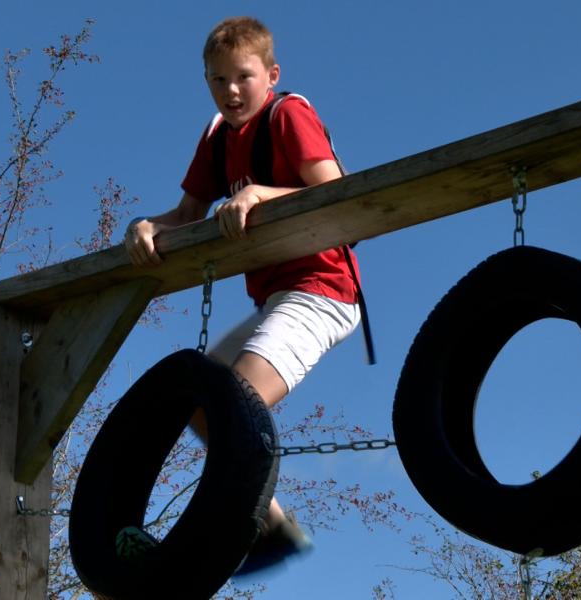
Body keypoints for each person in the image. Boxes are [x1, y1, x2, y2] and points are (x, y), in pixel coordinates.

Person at [123, 15, 363, 576]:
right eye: (217, 80)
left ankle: (215, 535)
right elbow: (186, 215)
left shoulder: (288, 114)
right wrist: (147, 225)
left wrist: (259, 193)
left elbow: (336, 191)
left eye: (243, 77)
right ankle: (272, 526)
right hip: (275, 296)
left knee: (232, 401)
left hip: (323, 290)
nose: (231, 91)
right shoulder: (217, 137)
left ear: (270, 75)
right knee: (204, 402)